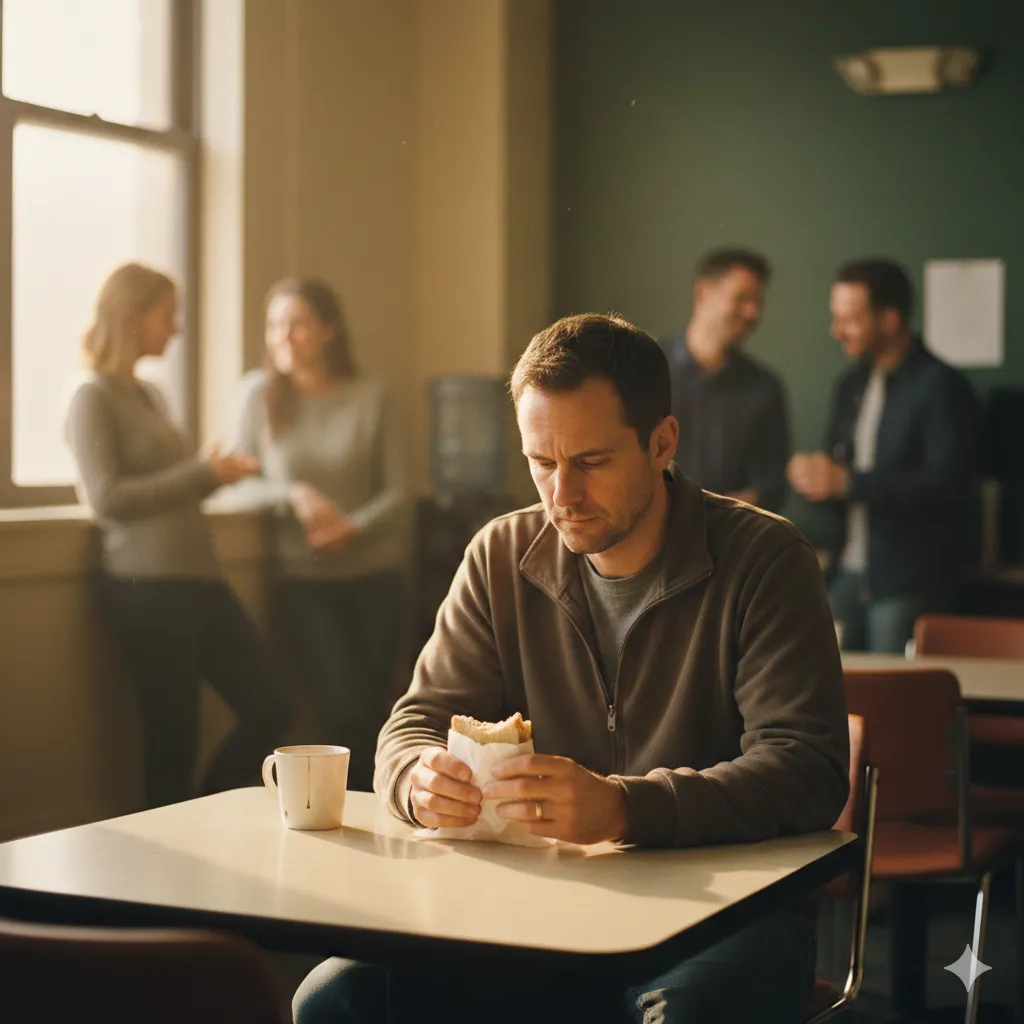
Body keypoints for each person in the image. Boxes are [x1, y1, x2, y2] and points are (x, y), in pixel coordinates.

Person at [293, 313, 849, 1024]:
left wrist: (625, 807)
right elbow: (413, 725)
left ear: (663, 443)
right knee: (334, 999)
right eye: (541, 463)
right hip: (532, 901)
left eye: (590, 462)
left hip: (724, 908)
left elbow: (807, 767)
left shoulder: (766, 559)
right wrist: (418, 780)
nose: (562, 495)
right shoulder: (500, 554)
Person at [64, 262, 289, 809]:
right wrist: (202, 473)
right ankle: (172, 847)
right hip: (146, 588)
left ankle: (208, 805)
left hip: (197, 580)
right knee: (173, 736)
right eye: (169, 316)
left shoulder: (150, 395)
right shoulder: (91, 398)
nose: (177, 329)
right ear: (132, 315)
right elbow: (108, 499)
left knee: (270, 704)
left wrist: (214, 475)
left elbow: (170, 489)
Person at [230, 277, 407, 792]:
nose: (284, 337)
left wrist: (354, 528)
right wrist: (294, 495)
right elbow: (234, 486)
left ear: (329, 329)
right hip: (303, 584)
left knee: (378, 715)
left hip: (376, 579)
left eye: (298, 324)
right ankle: (335, 828)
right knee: (341, 708)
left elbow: (398, 492)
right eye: (275, 326)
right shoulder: (255, 396)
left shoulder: (372, 397)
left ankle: (383, 824)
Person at [787, 259, 979, 654]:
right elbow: (838, 470)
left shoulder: (943, 387)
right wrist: (815, 478)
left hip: (907, 581)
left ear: (889, 320)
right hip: (846, 573)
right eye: (835, 318)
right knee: (821, 683)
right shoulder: (849, 385)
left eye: (849, 320)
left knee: (893, 702)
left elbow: (948, 485)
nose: (835, 332)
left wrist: (848, 483)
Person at [659, 247, 790, 512]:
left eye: (758, 303)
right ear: (703, 293)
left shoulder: (765, 388)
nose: (752, 313)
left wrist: (744, 503)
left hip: (731, 540)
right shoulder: (649, 367)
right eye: (742, 298)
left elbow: (774, 484)